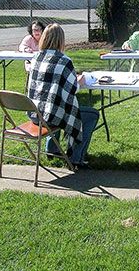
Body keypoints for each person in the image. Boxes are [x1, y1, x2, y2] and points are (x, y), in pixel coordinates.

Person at [27, 23, 99, 169]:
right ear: (61, 40)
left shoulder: (35, 58)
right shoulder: (64, 61)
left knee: (53, 103)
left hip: (34, 113)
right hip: (51, 117)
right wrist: (80, 80)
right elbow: (72, 89)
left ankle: (52, 149)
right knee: (92, 114)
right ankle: (76, 157)